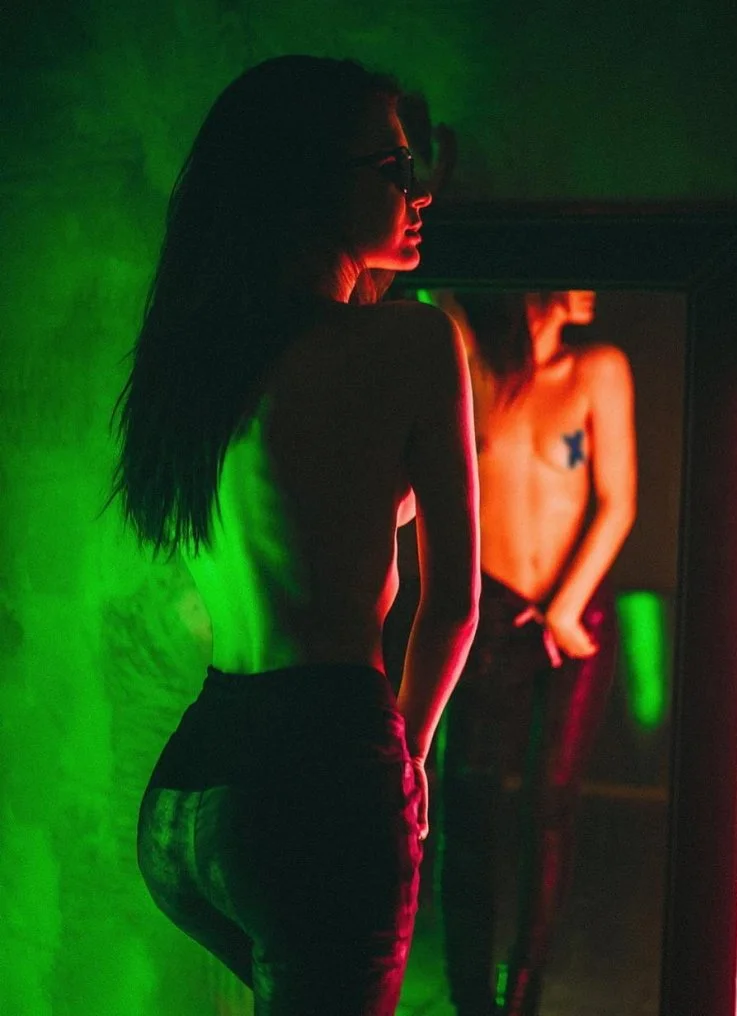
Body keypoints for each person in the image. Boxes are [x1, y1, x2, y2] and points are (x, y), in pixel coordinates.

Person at [110, 56, 479, 1016]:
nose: (418, 191)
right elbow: (454, 603)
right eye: (393, 167)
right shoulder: (414, 341)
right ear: (310, 183)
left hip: (188, 801)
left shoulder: (206, 357)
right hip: (320, 775)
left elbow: (325, 510)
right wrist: (410, 751)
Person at [436, 290, 637, 1016]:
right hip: (488, 612)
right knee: (468, 805)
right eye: (576, 264)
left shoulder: (596, 370)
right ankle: (469, 998)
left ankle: (522, 991)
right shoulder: (469, 359)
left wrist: (563, 605)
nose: (592, 284)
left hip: (574, 611)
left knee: (550, 806)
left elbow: (618, 501)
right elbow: (437, 298)